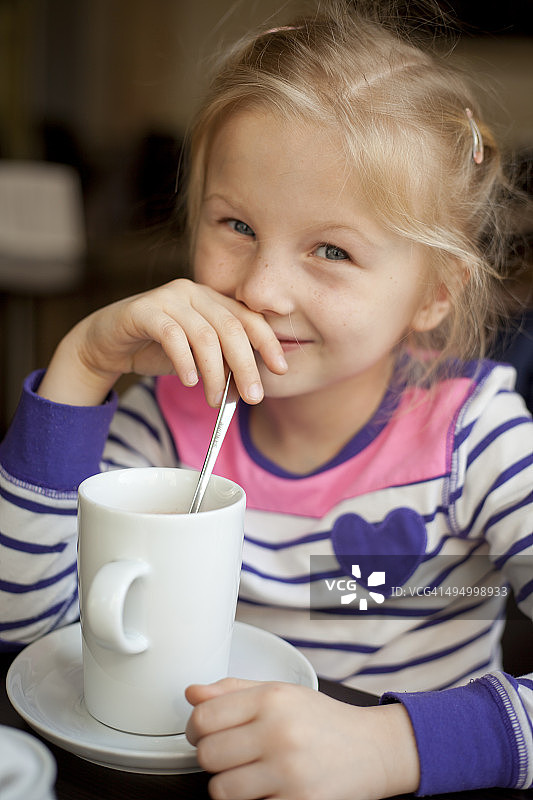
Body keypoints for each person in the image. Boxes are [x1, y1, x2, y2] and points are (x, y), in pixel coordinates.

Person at [1, 2, 532, 798]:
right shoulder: (163, 419)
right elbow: (27, 629)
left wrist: (391, 747)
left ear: (433, 292)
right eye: (237, 224)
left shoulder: (472, 439)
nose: (261, 288)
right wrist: (84, 363)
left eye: (331, 249)